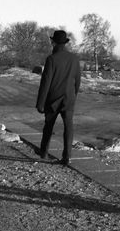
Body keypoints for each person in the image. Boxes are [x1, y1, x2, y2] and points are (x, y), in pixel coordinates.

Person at [36, 30, 81, 165]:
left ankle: (44, 152)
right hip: (69, 98)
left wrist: (40, 103)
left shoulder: (51, 59)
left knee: (48, 126)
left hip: (53, 99)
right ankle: (67, 156)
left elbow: (46, 82)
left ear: (53, 42)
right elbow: (77, 81)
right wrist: (73, 95)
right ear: (65, 43)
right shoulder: (74, 59)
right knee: (69, 127)